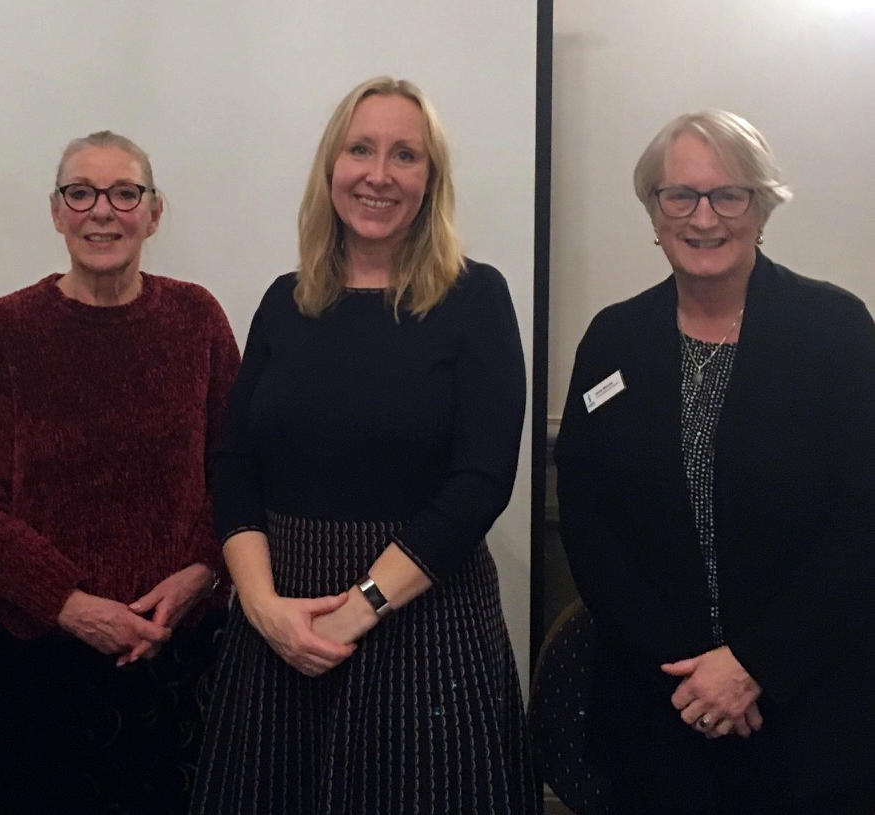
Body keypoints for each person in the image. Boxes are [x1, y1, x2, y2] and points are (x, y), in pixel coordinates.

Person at [192, 77, 540, 814]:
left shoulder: (475, 298)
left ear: (430, 181)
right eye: (360, 149)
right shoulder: (283, 301)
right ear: (330, 169)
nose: (378, 173)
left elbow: (480, 480)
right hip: (279, 627)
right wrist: (260, 605)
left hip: (424, 630)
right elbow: (234, 464)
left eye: (404, 155)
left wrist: (356, 610)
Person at [555, 110, 875, 813]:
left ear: (760, 207)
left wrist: (754, 665)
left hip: (809, 713)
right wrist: (691, 675)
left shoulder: (834, 331)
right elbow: (587, 521)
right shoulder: (612, 339)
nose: (703, 217)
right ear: (653, 208)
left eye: (727, 195)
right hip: (656, 706)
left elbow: (862, 523)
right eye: (679, 195)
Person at [0, 130, 239, 814]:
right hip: (33, 659)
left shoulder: (197, 319)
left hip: (174, 652)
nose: (101, 211)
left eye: (124, 193)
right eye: (81, 192)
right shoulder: (3, 329)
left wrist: (199, 572)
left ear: (153, 213)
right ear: (55, 210)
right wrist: (72, 605)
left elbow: (237, 470)